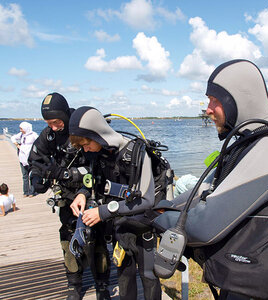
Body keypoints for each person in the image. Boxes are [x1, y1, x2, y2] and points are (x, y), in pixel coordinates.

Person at [153, 59, 268, 299]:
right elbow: (205, 190)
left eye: (214, 100)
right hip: (247, 284)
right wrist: (160, 207)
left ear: (236, 100)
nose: (207, 109)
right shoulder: (253, 143)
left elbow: (205, 225)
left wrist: (157, 219)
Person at [69, 106, 162, 300]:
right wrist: (82, 194)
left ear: (98, 133)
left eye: (86, 144)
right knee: (124, 278)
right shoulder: (99, 154)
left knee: (149, 277)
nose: (85, 150)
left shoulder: (137, 153)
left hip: (142, 228)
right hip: (119, 227)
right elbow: (95, 182)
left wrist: (102, 212)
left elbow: (147, 200)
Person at [28, 93, 110, 300]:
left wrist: (73, 178)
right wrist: (36, 179)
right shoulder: (49, 135)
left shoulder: (82, 127)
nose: (54, 127)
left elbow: (101, 163)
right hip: (66, 197)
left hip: (91, 193)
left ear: (65, 115)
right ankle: (74, 285)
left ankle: (102, 286)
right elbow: (36, 159)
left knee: (97, 240)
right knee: (68, 239)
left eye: (56, 122)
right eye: (49, 123)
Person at [11, 121, 38, 197]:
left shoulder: (33, 135)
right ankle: (26, 192)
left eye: (21, 129)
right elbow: (13, 137)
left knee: (32, 175)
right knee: (25, 175)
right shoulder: (21, 135)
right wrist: (17, 145)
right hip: (22, 157)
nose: (20, 130)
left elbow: (39, 142)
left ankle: (32, 192)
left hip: (31, 157)